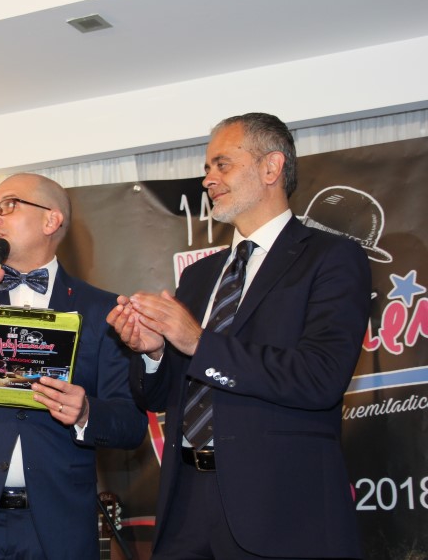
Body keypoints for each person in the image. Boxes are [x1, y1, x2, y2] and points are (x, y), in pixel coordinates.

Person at [107, 113, 371, 559]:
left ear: (271, 167)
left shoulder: (331, 258)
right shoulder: (200, 275)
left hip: (278, 509)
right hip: (185, 502)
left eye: (222, 164)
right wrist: (152, 354)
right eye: (207, 168)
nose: (208, 179)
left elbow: (321, 378)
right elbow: (162, 397)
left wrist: (198, 342)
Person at [0, 173, 148, 560]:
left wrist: (86, 412)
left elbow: (131, 425)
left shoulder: (101, 309)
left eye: (9, 205)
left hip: (57, 526)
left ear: (51, 220)